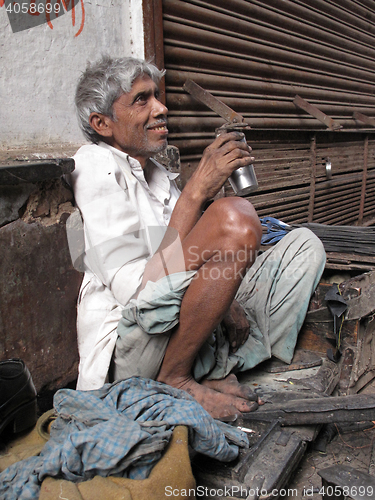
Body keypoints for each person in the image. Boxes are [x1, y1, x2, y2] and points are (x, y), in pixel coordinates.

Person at [68, 55, 326, 420]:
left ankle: (204, 367)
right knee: (234, 219)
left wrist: (227, 300)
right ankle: (176, 379)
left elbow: (195, 257)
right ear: (102, 123)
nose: (161, 108)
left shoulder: (156, 173)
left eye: (157, 95)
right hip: (134, 343)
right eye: (142, 99)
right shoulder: (94, 165)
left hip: (179, 328)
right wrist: (195, 192)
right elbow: (137, 293)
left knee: (305, 245)